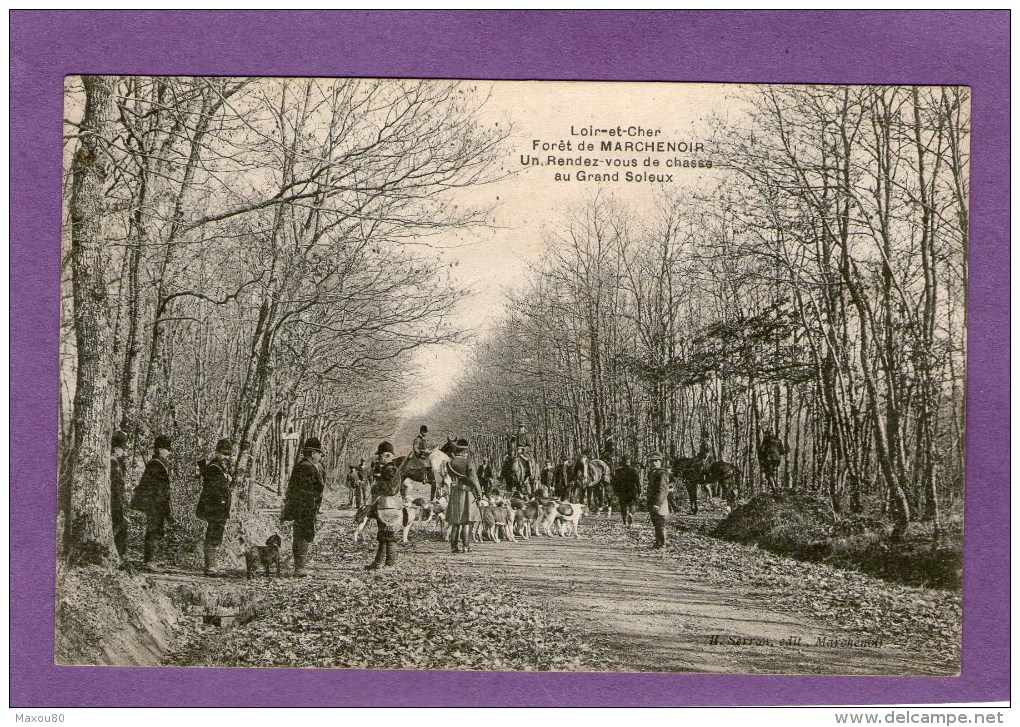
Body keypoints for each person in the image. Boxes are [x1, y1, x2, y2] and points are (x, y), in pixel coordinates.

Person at [281, 436, 326, 577]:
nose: (320, 457)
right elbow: (306, 491)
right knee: (303, 534)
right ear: (313, 453)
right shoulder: (307, 468)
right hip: (304, 507)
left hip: (303, 506)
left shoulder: (304, 466)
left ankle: (300, 566)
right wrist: (312, 506)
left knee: (302, 534)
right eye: (319, 454)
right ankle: (300, 567)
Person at [130, 435, 174, 571]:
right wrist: (165, 507)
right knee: (154, 531)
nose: (169, 453)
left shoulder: (157, 464)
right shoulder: (156, 464)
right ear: (160, 450)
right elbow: (159, 489)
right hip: (155, 504)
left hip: (157, 503)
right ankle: (149, 561)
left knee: (156, 531)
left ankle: (150, 560)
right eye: (167, 450)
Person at [196, 438, 234, 576]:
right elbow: (214, 490)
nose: (226, 457)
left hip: (219, 508)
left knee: (216, 534)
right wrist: (222, 501)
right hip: (215, 508)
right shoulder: (214, 468)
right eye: (223, 453)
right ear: (217, 452)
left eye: (228, 454)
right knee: (213, 534)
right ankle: (210, 566)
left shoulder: (221, 467)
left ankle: (212, 565)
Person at [365, 442, 401, 570]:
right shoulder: (388, 469)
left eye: (381, 456)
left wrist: (376, 486)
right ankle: (380, 562)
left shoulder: (390, 470)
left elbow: (391, 489)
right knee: (384, 534)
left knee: (387, 534)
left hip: (388, 507)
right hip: (386, 506)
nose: (379, 458)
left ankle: (388, 562)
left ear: (388, 455)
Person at [446, 438, 483, 554]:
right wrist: (479, 494)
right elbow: (474, 480)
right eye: (466, 452)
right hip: (466, 493)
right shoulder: (467, 463)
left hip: (454, 492)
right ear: (463, 451)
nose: (467, 454)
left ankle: (453, 547)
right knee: (466, 521)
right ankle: (465, 547)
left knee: (455, 521)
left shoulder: (449, 463)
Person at [109, 431, 129, 561]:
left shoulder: (115, 462)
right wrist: (120, 509)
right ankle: (118, 557)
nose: (125, 453)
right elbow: (115, 489)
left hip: (114, 504)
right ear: (116, 449)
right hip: (114, 505)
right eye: (123, 449)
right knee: (121, 525)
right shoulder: (113, 463)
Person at [646, 452, 670, 549]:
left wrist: (658, 503)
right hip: (652, 500)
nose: (654, 463)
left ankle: (663, 542)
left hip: (660, 501)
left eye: (656, 461)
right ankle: (658, 541)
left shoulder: (662, 473)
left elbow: (663, 489)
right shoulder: (652, 473)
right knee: (655, 521)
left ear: (660, 461)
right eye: (652, 461)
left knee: (660, 521)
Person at [613, 454, 641, 527]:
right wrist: (639, 491)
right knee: (633, 505)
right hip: (632, 491)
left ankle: (625, 522)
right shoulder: (634, 471)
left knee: (623, 507)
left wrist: (615, 492)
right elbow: (637, 482)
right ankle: (631, 514)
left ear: (622, 462)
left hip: (622, 492)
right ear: (629, 461)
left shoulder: (618, 471)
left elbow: (615, 483)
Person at [757, 429, 788, 493]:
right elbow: (782, 451)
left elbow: (761, 450)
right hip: (777, 460)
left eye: (766, 434)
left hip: (769, 459)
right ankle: (777, 488)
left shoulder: (766, 441)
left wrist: (761, 458)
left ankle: (775, 490)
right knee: (772, 474)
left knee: (768, 475)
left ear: (768, 434)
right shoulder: (778, 440)